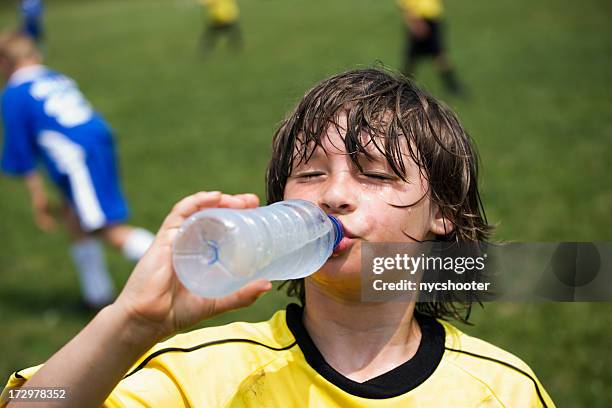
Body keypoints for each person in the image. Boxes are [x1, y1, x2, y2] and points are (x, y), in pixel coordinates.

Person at [0, 69, 554, 407]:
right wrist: (130, 324)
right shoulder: (205, 375)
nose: (334, 194)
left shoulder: (502, 390)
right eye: (310, 173)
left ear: (444, 214)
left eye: (376, 174)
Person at [0, 31, 154, 309]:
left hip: (77, 157)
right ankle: (97, 295)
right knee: (74, 217)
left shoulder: (14, 93)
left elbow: (22, 152)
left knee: (104, 228)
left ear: (3, 63)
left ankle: (182, 268)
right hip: (96, 142)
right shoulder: (54, 76)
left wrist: (37, 197)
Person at [397, 0, 464, 95]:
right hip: (420, 22)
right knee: (413, 58)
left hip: (433, 21)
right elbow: (406, 6)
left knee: (438, 56)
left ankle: (452, 86)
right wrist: (415, 23)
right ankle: (400, 86)